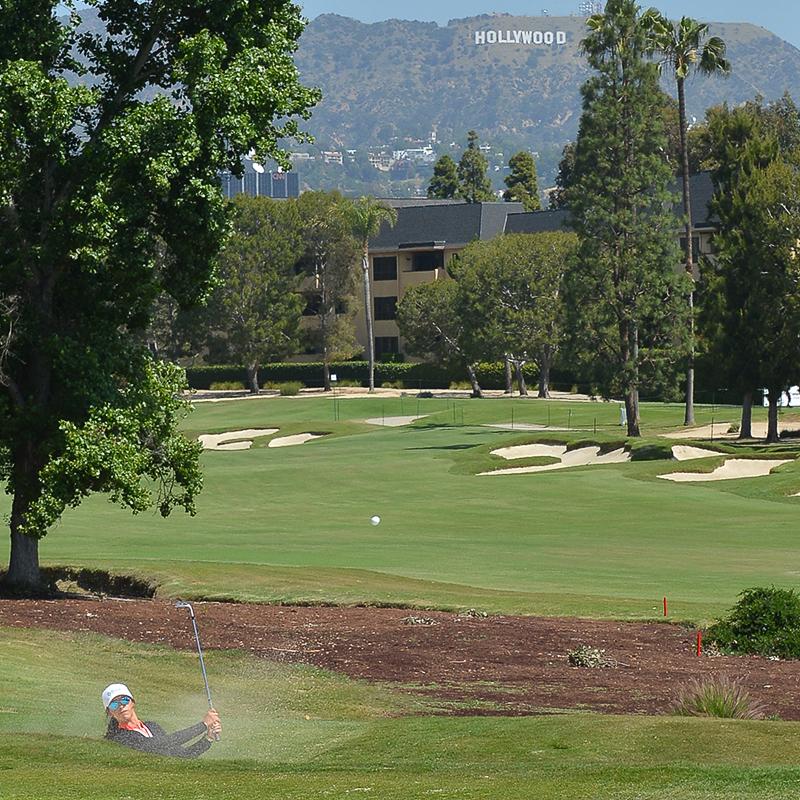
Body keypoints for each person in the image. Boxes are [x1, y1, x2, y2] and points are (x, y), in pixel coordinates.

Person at [102, 683, 221, 758]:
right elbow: (160, 744)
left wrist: (208, 738)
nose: (121, 706)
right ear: (110, 712)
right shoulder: (120, 737)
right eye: (114, 705)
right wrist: (203, 725)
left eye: (124, 700)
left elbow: (183, 754)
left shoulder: (152, 726)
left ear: (132, 702)